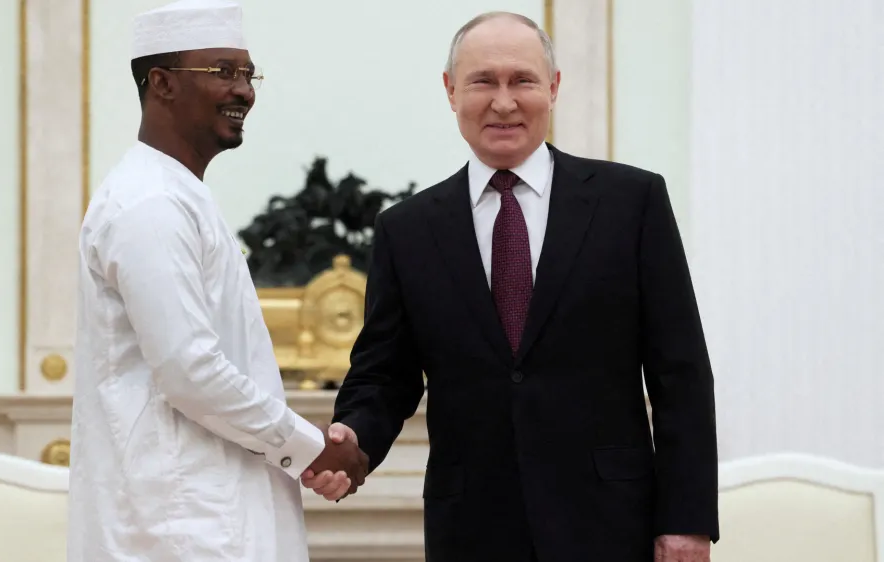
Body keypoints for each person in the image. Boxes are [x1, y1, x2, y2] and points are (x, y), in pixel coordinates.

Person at [302, 11, 719, 562]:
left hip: (611, 525)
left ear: (554, 87)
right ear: (451, 91)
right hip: (471, 528)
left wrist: (686, 521)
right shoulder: (406, 229)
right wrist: (352, 439)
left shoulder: (631, 203)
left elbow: (680, 373)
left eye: (522, 80)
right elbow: (385, 375)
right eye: (482, 81)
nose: (503, 102)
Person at [66, 1, 366, 560]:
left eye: (248, 74)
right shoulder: (148, 203)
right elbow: (190, 370)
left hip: (205, 517)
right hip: (178, 526)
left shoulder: (179, 194)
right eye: (222, 72)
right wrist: (309, 448)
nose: (244, 91)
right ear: (162, 83)